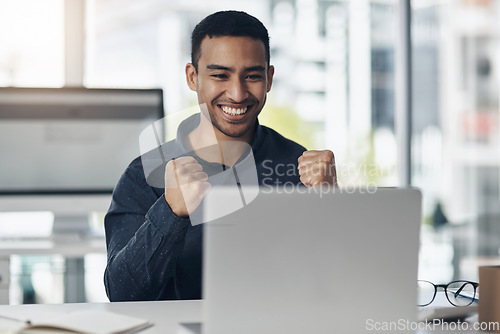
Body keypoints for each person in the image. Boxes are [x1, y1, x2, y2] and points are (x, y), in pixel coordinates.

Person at [104, 10, 336, 301]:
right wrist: (170, 211)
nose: (237, 94)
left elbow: (332, 285)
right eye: (220, 75)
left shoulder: (297, 164)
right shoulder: (145, 174)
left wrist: (332, 207)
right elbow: (122, 294)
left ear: (270, 78)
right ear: (193, 77)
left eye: (252, 76)